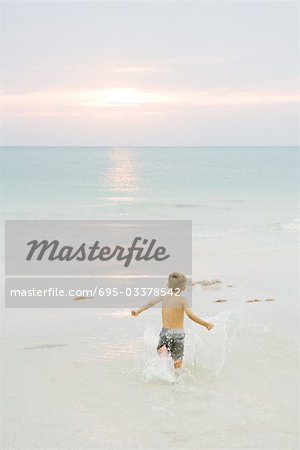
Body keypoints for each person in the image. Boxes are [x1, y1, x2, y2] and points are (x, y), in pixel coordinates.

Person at [131, 272, 214, 369]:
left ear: (168, 285)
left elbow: (150, 304)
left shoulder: (164, 296)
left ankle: (163, 357)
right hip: (178, 334)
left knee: (162, 350)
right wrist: (206, 324)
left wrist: (138, 311)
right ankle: (176, 377)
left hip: (166, 332)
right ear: (184, 288)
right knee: (177, 359)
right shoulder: (183, 300)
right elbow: (190, 316)